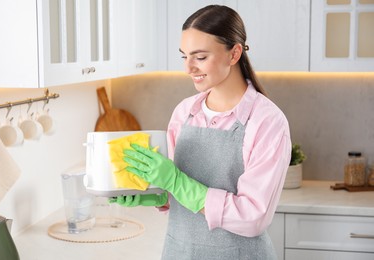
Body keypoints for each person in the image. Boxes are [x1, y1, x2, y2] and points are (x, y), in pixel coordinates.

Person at [111, 5, 291, 259]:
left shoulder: (267, 121)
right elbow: (182, 195)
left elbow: (254, 217)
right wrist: (156, 195)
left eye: (200, 57)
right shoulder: (185, 112)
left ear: (234, 53)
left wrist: (176, 182)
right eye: (184, 56)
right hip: (180, 252)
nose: (188, 68)